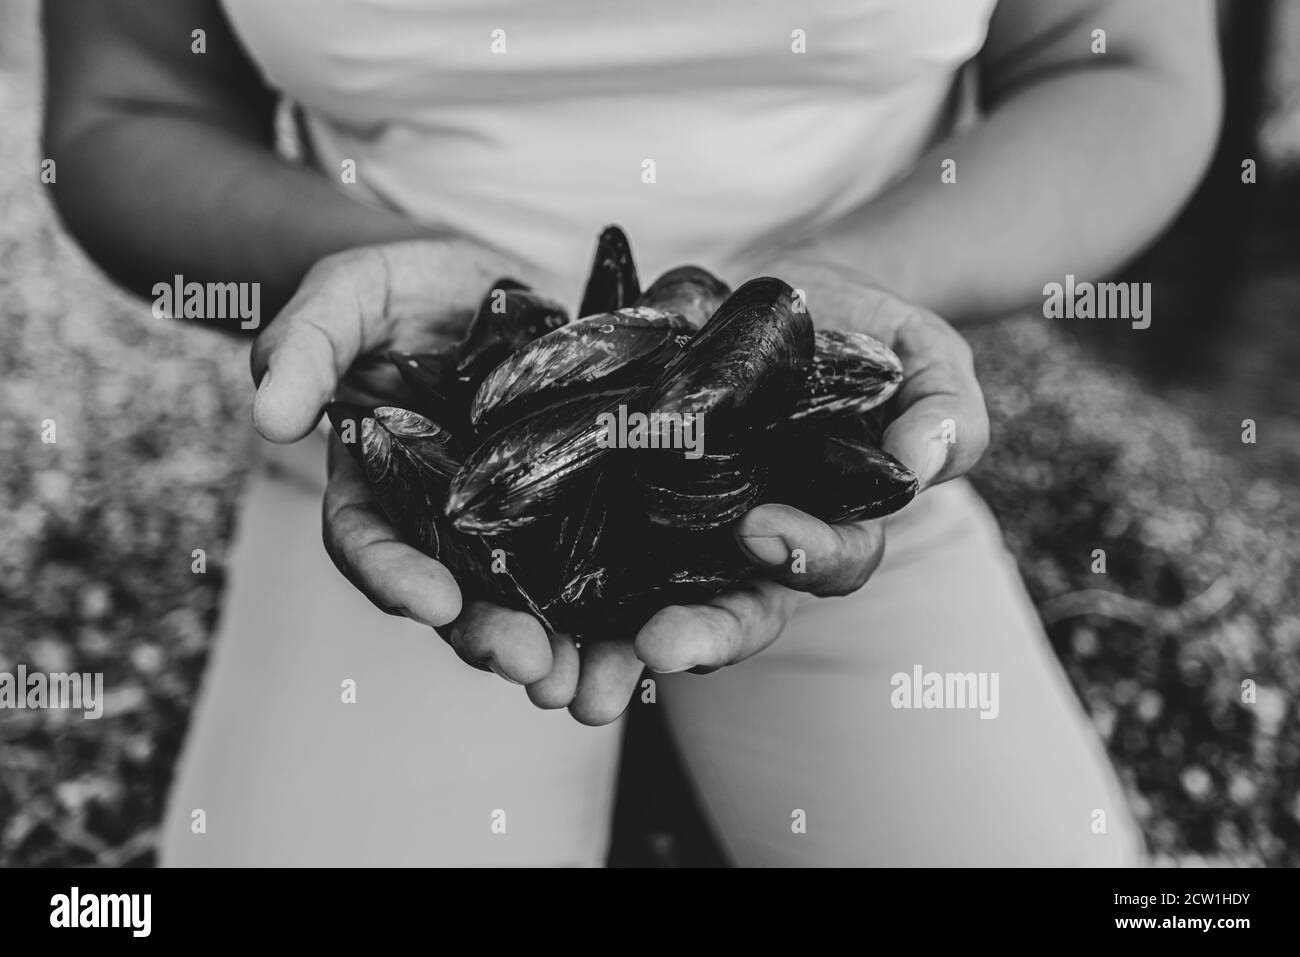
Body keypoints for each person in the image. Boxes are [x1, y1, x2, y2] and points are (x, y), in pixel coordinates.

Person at [44, 0, 1221, 866]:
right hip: (405, 432)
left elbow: (1117, 60)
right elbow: (126, 108)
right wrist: (332, 280)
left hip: (810, 459)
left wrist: (858, 285)